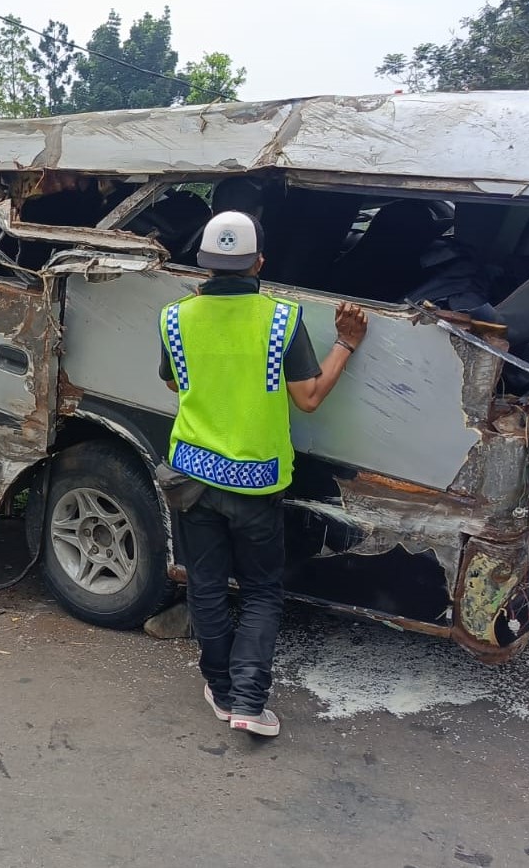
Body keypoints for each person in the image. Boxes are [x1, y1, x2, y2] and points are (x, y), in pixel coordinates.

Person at [159, 210, 368, 737]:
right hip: (256, 483)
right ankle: (249, 704)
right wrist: (345, 343)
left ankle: (222, 692)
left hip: (192, 476)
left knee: (205, 587)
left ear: (204, 265)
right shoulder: (281, 319)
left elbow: (173, 384)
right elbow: (311, 398)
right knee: (259, 591)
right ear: (258, 263)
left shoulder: (173, 317)